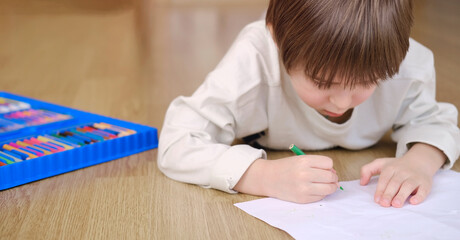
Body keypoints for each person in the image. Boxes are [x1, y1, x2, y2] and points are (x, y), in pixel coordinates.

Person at [158, 0, 460, 208]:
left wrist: (419, 163)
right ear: (277, 37)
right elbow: (178, 140)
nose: (342, 101)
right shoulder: (255, 59)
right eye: (323, 82)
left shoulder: (404, 63)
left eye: (367, 82)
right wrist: (262, 177)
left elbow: (434, 122)